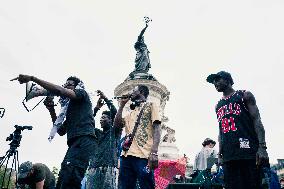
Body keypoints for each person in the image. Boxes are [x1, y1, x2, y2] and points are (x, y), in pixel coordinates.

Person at [12, 74, 97, 189]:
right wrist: (51, 109)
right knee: (63, 179)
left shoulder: (82, 93)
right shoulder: (70, 108)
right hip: (75, 144)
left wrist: (33, 78)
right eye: (65, 84)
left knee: (71, 179)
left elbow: (59, 90)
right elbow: (61, 131)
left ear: (77, 87)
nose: (66, 86)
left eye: (69, 85)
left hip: (84, 140)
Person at [206, 71, 269, 189]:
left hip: (249, 153)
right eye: (213, 82)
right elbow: (221, 130)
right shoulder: (218, 105)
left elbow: (257, 121)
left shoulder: (244, 95)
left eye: (218, 79)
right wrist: (220, 153)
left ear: (228, 80)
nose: (215, 83)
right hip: (228, 156)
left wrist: (262, 147)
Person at [114, 85, 161, 189]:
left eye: (133, 90)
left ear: (141, 92)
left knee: (146, 186)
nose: (131, 92)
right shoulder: (130, 114)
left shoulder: (151, 105)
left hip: (143, 156)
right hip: (126, 156)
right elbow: (117, 126)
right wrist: (121, 106)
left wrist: (154, 152)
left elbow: (157, 128)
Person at [86, 90, 122, 189]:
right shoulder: (96, 132)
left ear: (111, 120)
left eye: (104, 117)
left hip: (109, 167)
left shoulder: (115, 131)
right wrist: (96, 108)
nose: (101, 119)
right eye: (101, 118)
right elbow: (87, 121)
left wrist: (105, 98)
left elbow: (115, 113)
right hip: (93, 167)